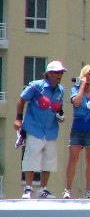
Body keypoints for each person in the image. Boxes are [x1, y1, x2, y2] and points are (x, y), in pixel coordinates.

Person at [15, 60, 67, 198]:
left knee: (49, 160)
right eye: (56, 72)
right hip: (34, 127)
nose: (59, 75)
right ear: (49, 73)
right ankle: (28, 188)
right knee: (31, 157)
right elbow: (21, 99)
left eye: (61, 73)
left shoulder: (61, 90)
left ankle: (43, 189)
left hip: (50, 130)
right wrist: (18, 118)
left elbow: (59, 108)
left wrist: (61, 116)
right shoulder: (37, 86)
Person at [64, 64, 90, 199]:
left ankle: (88, 190)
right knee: (73, 158)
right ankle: (68, 189)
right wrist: (82, 86)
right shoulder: (76, 89)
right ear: (84, 75)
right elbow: (76, 102)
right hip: (78, 125)